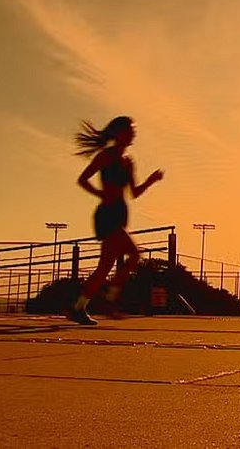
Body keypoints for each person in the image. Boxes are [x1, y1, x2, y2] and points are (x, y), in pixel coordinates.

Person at [69, 116, 164, 325]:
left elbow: (135, 192)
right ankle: (109, 300)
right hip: (107, 214)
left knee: (104, 267)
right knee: (134, 254)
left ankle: (78, 307)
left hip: (120, 215)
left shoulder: (128, 161)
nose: (133, 134)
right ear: (119, 132)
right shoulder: (107, 156)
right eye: (130, 130)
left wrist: (151, 181)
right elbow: (83, 179)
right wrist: (101, 194)